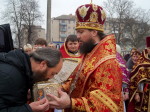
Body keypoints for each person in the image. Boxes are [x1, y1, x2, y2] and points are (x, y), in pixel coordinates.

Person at [47, 3, 123, 112]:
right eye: (77, 32)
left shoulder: (108, 63)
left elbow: (107, 104)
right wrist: (60, 89)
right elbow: (76, 82)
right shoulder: (89, 54)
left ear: (94, 32)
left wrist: (71, 103)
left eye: (81, 32)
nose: (78, 37)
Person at [0, 47, 63, 112]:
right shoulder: (9, 76)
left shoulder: (22, 69)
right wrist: (29, 109)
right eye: (52, 73)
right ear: (43, 64)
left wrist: (25, 95)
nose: (51, 78)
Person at [128, 36, 150, 112]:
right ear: (147, 49)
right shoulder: (141, 62)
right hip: (144, 93)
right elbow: (133, 79)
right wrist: (136, 93)